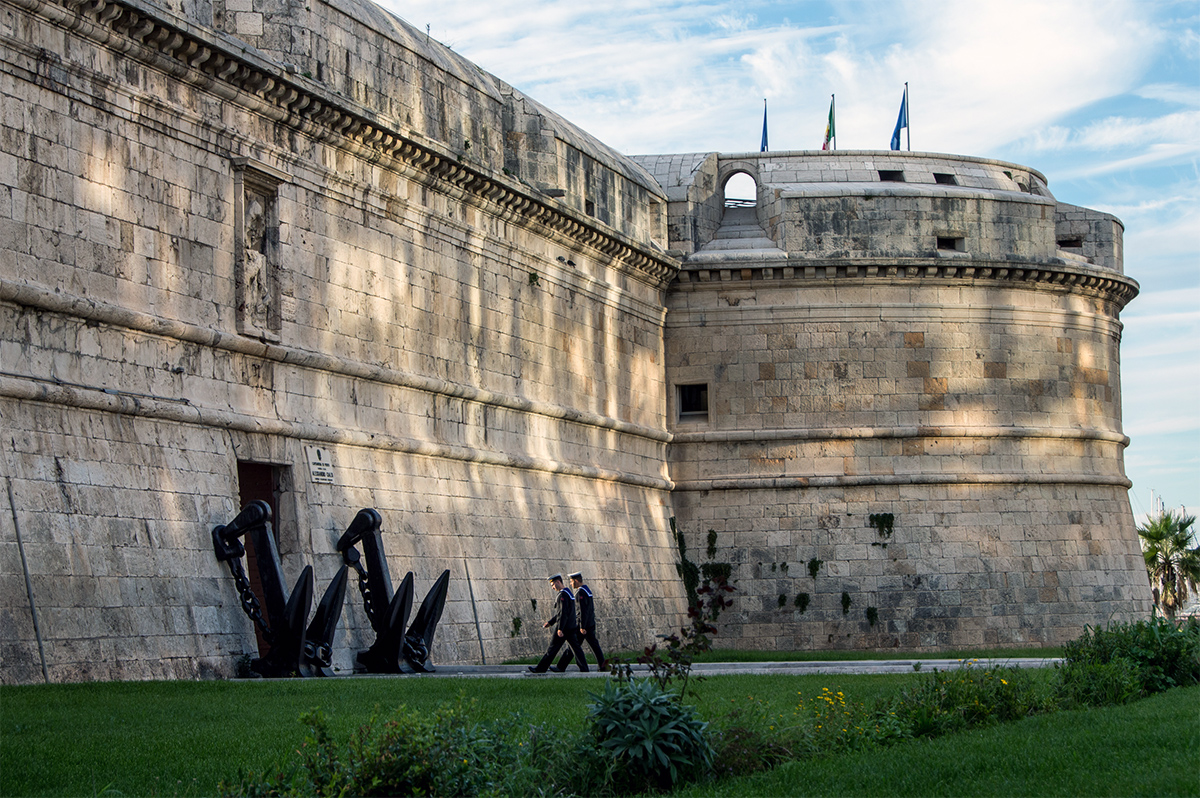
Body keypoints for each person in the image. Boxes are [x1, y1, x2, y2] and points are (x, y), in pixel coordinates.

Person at [528, 574, 588, 673]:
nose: (552, 587)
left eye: (553, 585)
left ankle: (541, 669)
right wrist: (551, 622)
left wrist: (560, 628)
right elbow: (562, 613)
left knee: (552, 649)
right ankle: (584, 668)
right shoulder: (568, 593)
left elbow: (563, 614)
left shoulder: (563, 595)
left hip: (564, 627)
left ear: (558, 582)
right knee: (576, 649)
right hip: (571, 626)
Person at [556, 571, 606, 671]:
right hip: (590, 623)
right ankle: (602, 666)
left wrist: (582, 626)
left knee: (574, 646)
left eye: (571, 581)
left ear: (576, 581)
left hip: (583, 625)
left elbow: (583, 610)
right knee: (582, 646)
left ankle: (563, 666)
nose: (570, 584)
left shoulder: (580, 593)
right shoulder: (587, 590)